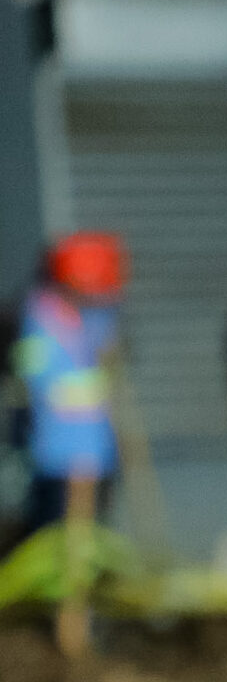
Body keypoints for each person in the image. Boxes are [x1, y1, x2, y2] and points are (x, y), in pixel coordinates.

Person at [15, 231, 123, 541]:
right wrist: (98, 384)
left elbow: (108, 353)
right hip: (59, 455)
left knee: (94, 537)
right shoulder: (39, 319)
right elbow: (39, 382)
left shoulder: (94, 316)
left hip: (96, 451)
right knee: (57, 539)